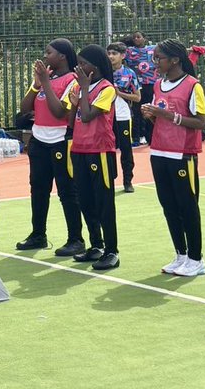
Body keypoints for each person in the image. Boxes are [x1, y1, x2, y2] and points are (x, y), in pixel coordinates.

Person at [141, 39, 205, 278]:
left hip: (183, 154)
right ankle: (181, 254)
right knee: (168, 205)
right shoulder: (159, 84)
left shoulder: (192, 86)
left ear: (175, 60)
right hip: (159, 151)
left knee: (187, 206)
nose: (155, 62)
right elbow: (161, 120)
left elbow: (201, 123)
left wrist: (167, 115)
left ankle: (196, 258)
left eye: (159, 58)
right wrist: (151, 115)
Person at [16, 40, 84, 257]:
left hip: (60, 141)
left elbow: (59, 112)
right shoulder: (45, 79)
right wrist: (37, 85)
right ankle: (38, 234)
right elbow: (24, 109)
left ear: (62, 56)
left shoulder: (72, 80)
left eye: (49, 52)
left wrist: (45, 82)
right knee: (38, 188)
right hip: (38, 140)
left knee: (67, 191)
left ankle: (76, 239)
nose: (45, 56)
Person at [68, 46, 121, 271]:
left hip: (100, 150)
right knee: (86, 200)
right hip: (80, 149)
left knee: (104, 202)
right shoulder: (81, 87)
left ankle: (112, 251)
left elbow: (89, 116)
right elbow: (73, 120)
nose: (78, 67)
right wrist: (75, 100)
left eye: (82, 63)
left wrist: (84, 90)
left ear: (95, 66)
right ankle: (95, 245)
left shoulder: (107, 89)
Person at [107, 42, 140, 192]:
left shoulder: (129, 74)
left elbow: (137, 97)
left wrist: (120, 93)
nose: (111, 56)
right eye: (109, 53)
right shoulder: (103, 71)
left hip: (123, 116)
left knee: (126, 149)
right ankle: (109, 179)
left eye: (114, 53)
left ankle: (128, 181)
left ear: (123, 55)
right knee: (108, 149)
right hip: (105, 116)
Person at [125, 31, 157, 145]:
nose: (136, 39)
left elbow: (168, 51)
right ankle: (136, 138)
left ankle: (150, 137)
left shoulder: (153, 49)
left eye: (139, 37)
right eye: (134, 38)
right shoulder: (129, 51)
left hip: (151, 83)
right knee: (136, 111)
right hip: (136, 85)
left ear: (145, 38)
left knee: (149, 110)